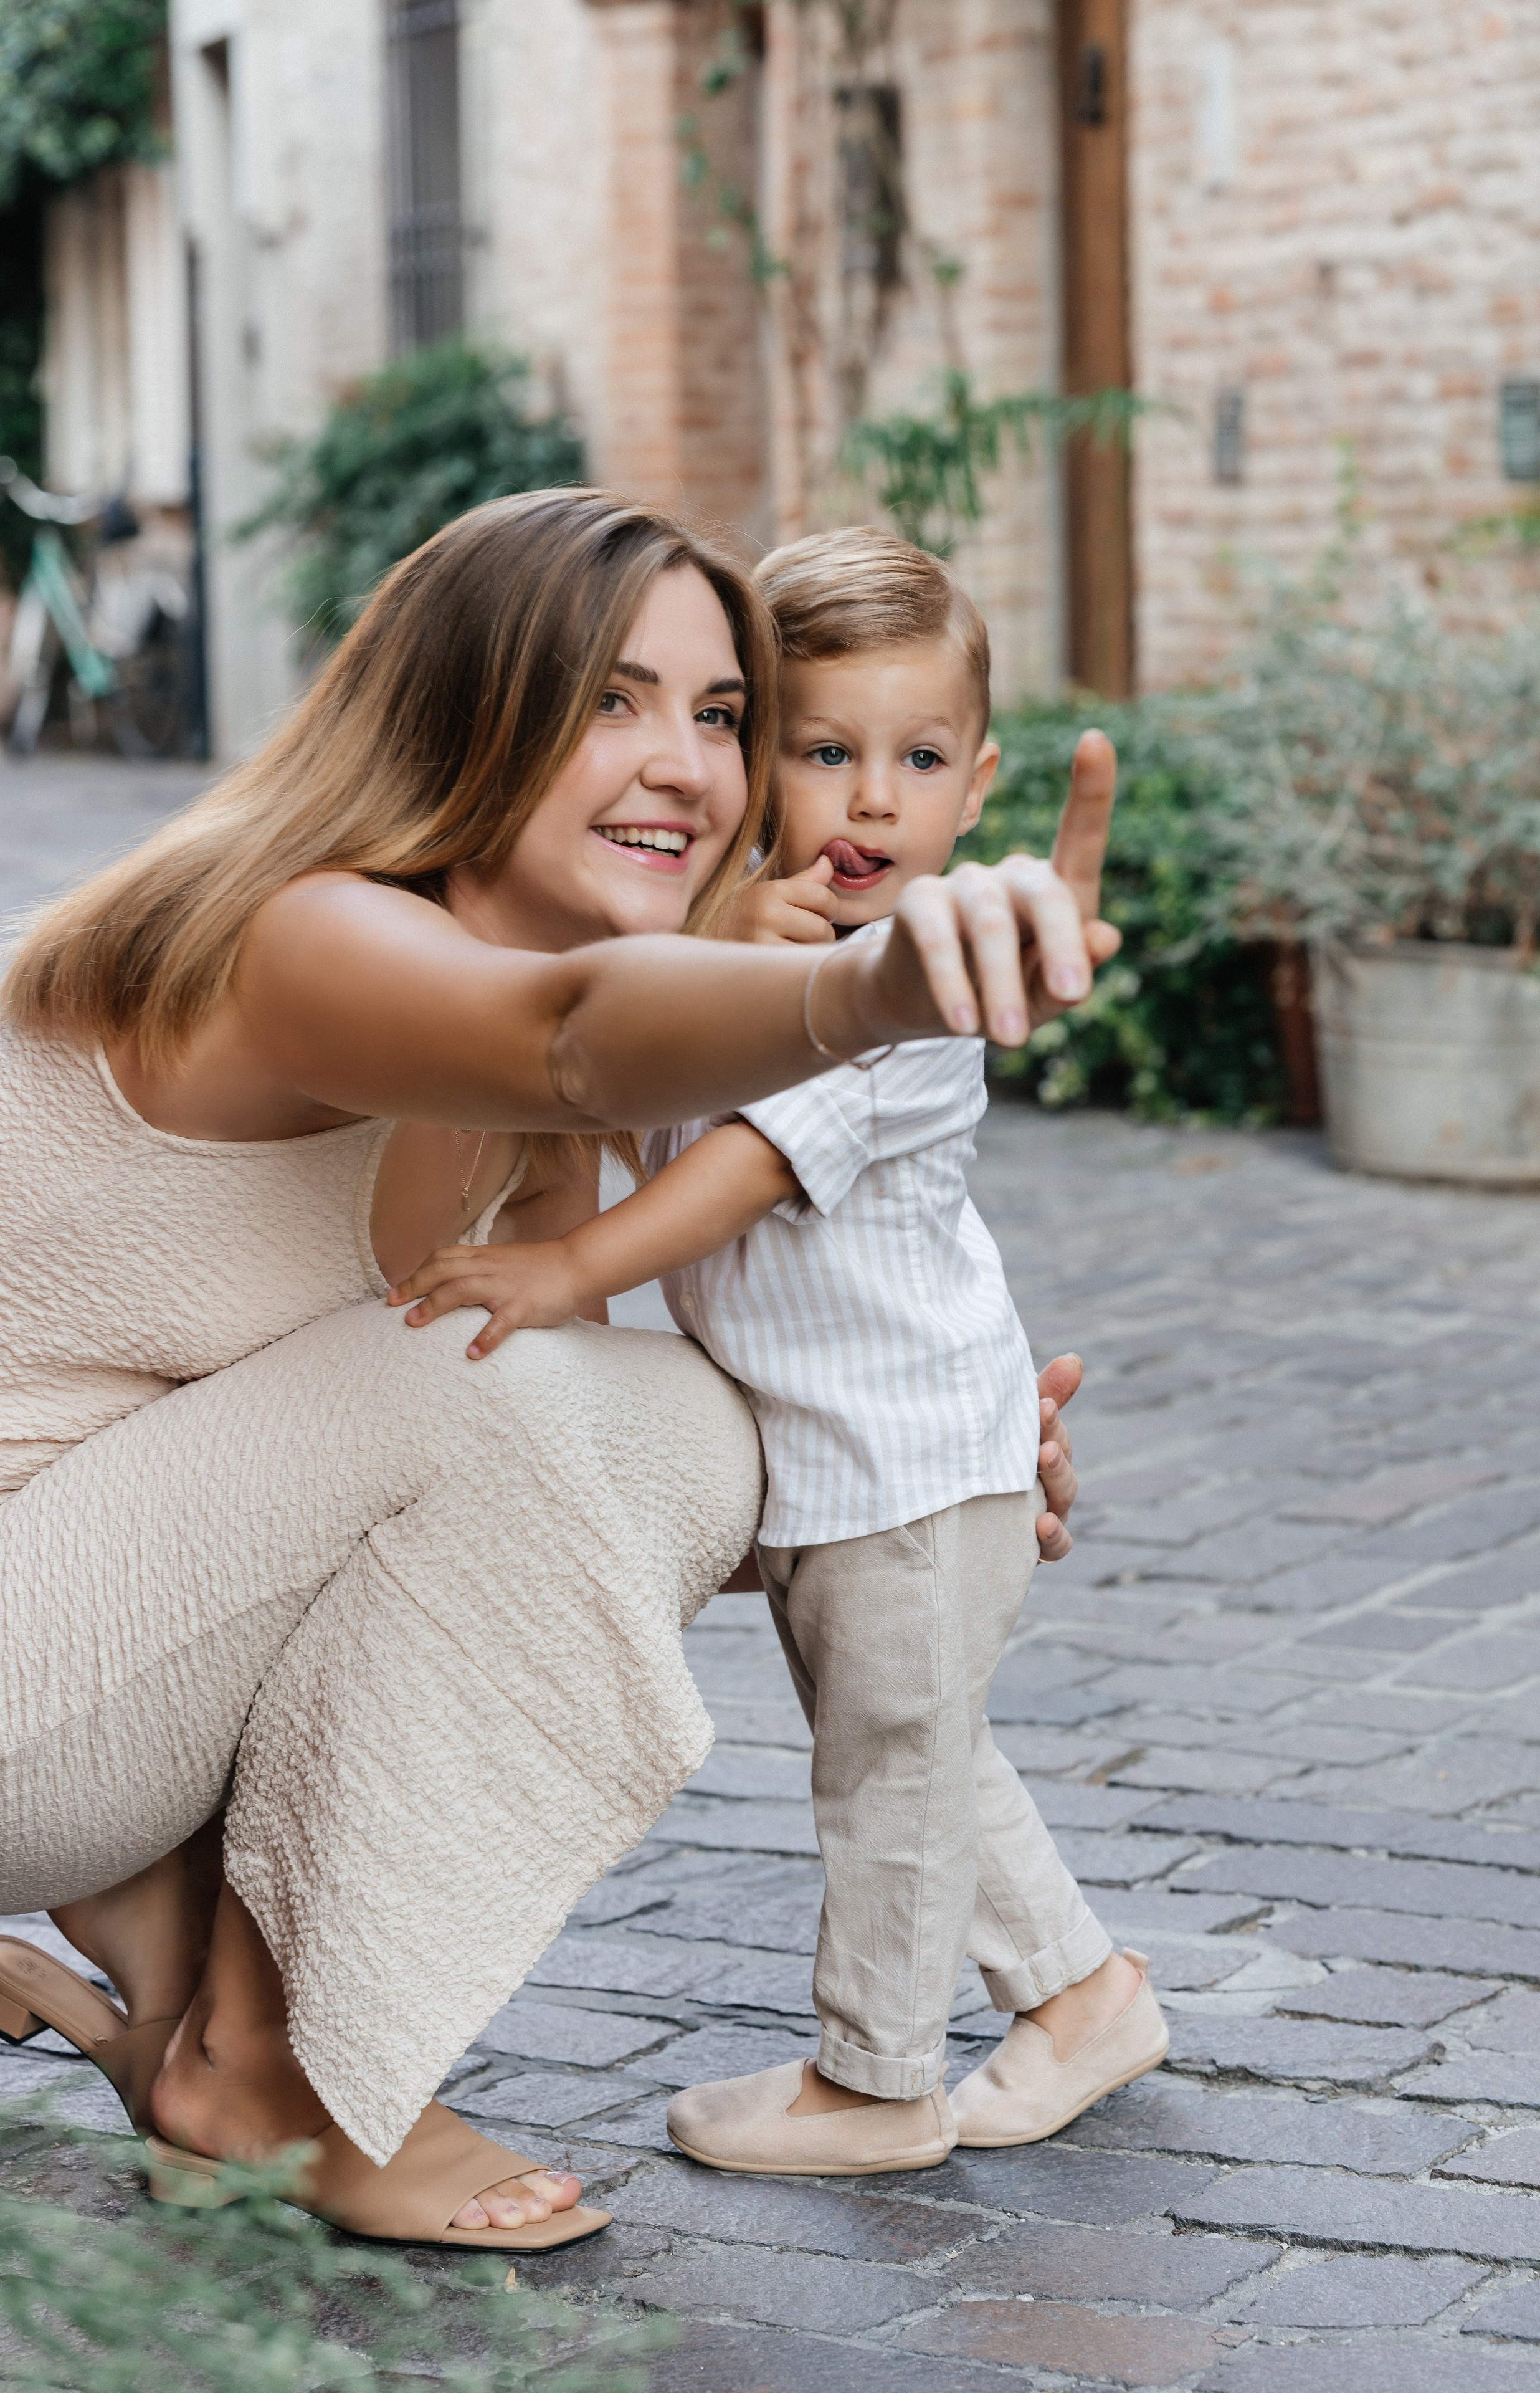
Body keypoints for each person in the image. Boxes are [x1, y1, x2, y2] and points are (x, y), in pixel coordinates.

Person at [0, 492, 1117, 2250]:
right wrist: (874, 989)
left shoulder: (556, 1073)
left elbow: (600, 1486)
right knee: (486, 1377)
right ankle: (267, 2077)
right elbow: (561, 1040)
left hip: (102, 1646)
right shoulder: (301, 937)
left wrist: (924, 1461)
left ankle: (173, 1951)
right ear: (465, 715)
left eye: (721, 717)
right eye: (612, 703)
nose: (689, 770)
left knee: (663, 1421)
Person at [386, 528, 1167, 2176]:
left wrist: (568, 1268)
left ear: (980, 783)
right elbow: (605, 1078)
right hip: (861, 1459)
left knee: (888, 1776)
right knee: (923, 1740)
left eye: (919, 759)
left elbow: (738, 1163)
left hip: (905, 1461)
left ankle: (876, 2084)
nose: (873, 800)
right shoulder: (762, 958)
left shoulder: (898, 981)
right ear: (758, 776)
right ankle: (1086, 1998)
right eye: (824, 753)